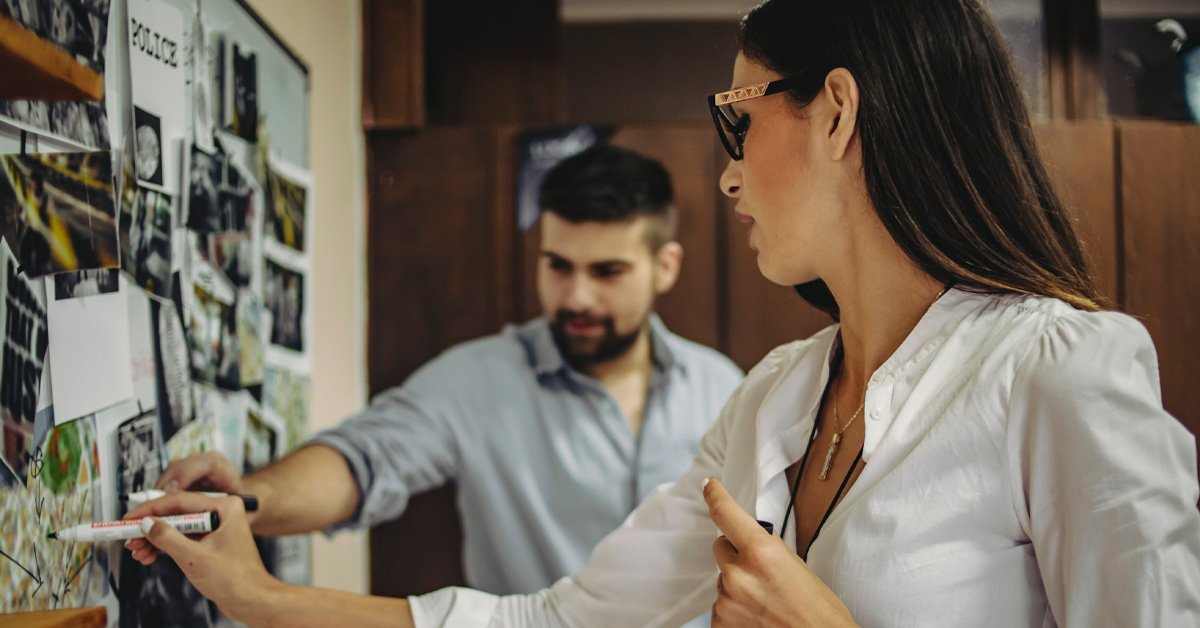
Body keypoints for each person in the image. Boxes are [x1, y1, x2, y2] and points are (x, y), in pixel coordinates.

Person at [127, 0, 1200, 625]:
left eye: (737, 118)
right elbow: (553, 623)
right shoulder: (775, 400)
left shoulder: (1060, 368)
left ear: (837, 112)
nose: (728, 178)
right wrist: (257, 596)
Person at [126, 145, 743, 625]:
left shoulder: (726, 390)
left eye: (607, 271)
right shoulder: (480, 377)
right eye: (558, 265)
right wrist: (247, 498)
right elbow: (365, 458)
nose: (576, 296)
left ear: (665, 267)